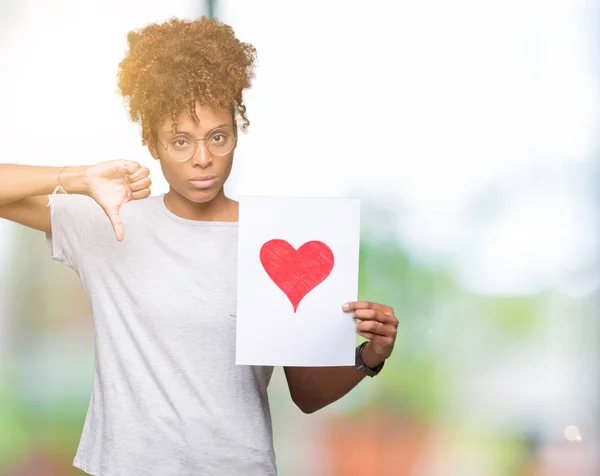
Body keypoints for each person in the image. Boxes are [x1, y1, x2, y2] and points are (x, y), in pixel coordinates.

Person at [0, 16, 398, 476]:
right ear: (151, 142)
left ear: (235, 133)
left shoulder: (274, 239)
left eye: (217, 137)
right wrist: (77, 177)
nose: (202, 158)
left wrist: (370, 356)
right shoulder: (111, 220)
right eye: (180, 141)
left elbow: (306, 394)